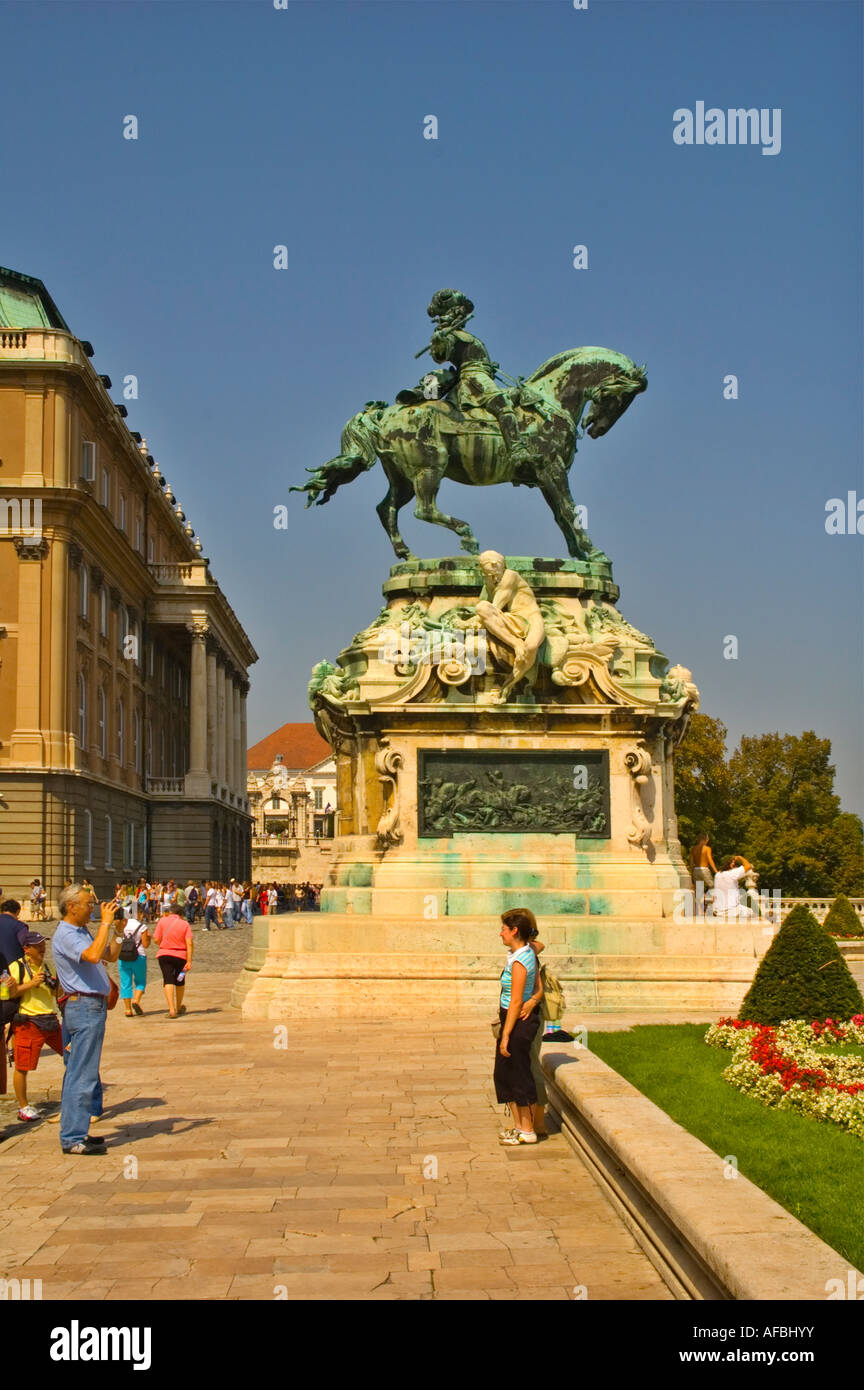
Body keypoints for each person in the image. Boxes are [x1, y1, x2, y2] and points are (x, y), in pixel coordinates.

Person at [51, 885, 123, 1155]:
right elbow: (92, 955)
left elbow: (108, 956)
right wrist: (104, 923)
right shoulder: (66, 934)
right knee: (82, 1073)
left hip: (91, 1006)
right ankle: (72, 1137)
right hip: (83, 1007)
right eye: (87, 904)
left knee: (82, 1072)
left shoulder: (81, 931)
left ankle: (77, 1129)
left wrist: (115, 931)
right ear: (71, 906)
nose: (91, 908)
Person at [494, 907, 541, 1146]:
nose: (500, 933)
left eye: (504, 929)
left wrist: (506, 1035)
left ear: (514, 931)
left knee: (518, 1074)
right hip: (511, 1017)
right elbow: (537, 945)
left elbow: (515, 1001)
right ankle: (519, 1127)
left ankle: (528, 1130)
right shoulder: (524, 951)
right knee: (504, 1075)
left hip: (517, 1021)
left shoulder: (521, 960)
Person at [7, 931, 63, 1121]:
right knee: (23, 1066)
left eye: (43, 944)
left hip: (50, 1019)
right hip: (29, 1021)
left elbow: (57, 993)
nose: (42, 948)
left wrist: (56, 985)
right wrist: (32, 983)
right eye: (37, 945)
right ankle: (23, 1106)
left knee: (72, 1054)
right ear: (27, 949)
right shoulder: (17, 967)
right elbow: (11, 992)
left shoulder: (46, 966)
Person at [152, 906, 193, 1018]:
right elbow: (189, 943)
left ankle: (171, 1009)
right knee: (180, 979)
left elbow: (155, 938)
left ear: (171, 912)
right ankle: (179, 1006)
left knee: (168, 979)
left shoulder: (162, 921)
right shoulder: (185, 924)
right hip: (182, 957)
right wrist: (189, 961)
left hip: (164, 955)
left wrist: (163, 945)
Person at [118, 910, 150, 1016]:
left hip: (123, 956)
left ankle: (127, 1009)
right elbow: (145, 944)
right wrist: (148, 938)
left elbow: (117, 940)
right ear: (139, 914)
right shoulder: (142, 926)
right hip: (139, 956)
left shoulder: (122, 924)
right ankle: (136, 1000)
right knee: (140, 981)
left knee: (125, 982)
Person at [712, 855, 756, 921]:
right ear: (732, 865)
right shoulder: (733, 873)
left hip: (718, 911)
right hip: (732, 911)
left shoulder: (717, 875)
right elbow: (748, 866)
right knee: (752, 913)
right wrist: (740, 857)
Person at [689, 833, 717, 917]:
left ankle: (700, 911)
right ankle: (713, 908)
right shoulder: (707, 848)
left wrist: (691, 872)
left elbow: (691, 862)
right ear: (706, 840)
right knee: (713, 887)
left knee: (699, 892)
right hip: (704, 869)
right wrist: (716, 871)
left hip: (696, 870)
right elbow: (709, 859)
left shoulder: (693, 849)